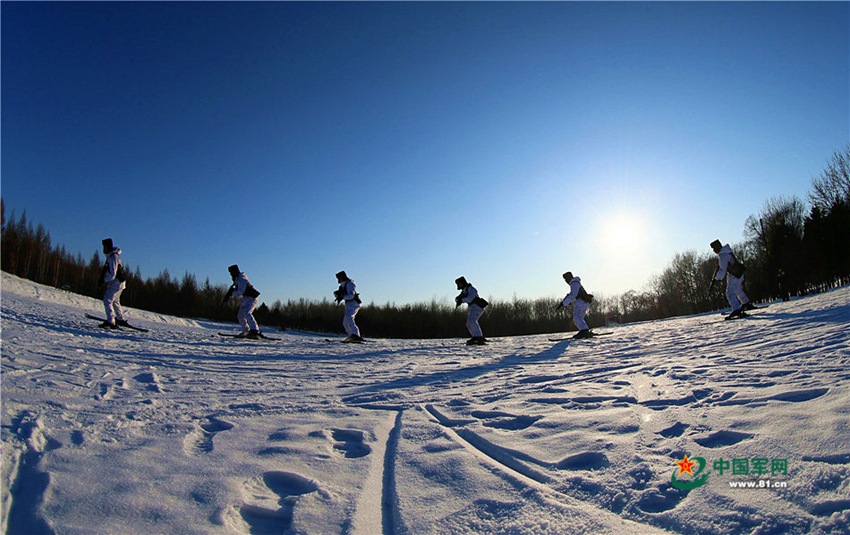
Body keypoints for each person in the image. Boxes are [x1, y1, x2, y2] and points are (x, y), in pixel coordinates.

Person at [710, 240, 754, 318]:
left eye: (714, 248)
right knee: (737, 290)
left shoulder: (723, 255)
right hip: (738, 273)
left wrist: (716, 278)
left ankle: (737, 309)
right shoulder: (726, 252)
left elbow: (722, 270)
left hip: (735, 275)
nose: (714, 251)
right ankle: (746, 303)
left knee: (729, 293)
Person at [222, 264, 261, 339]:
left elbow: (240, 291)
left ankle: (255, 330)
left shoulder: (242, 278)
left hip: (252, 298)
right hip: (246, 298)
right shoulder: (237, 279)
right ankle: (246, 330)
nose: (231, 275)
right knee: (240, 316)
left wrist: (231, 293)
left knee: (247, 313)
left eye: (231, 273)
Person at [99, 238, 127, 329]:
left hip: (117, 283)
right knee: (115, 301)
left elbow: (113, 274)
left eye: (104, 247)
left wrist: (103, 280)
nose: (103, 249)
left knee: (107, 300)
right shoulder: (113, 256)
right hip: (119, 283)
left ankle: (111, 321)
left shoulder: (113, 257)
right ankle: (119, 318)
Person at [558, 271, 594, 339]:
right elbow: (575, 294)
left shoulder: (574, 283)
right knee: (578, 318)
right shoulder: (575, 283)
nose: (566, 281)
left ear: (569, 278)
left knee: (576, 316)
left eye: (566, 279)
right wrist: (568, 302)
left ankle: (584, 331)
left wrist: (564, 303)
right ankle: (584, 331)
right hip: (583, 302)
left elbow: (573, 295)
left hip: (581, 302)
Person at [455, 276, 488, 345]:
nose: (458, 285)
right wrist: (458, 299)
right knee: (468, 323)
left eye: (459, 284)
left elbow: (470, 298)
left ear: (463, 283)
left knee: (472, 321)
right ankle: (476, 336)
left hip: (477, 307)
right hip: (472, 308)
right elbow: (458, 298)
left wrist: (462, 300)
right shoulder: (464, 291)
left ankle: (478, 337)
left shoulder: (471, 289)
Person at [334, 271, 363, 342]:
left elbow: (351, 295)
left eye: (339, 278)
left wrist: (343, 297)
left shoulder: (350, 284)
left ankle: (356, 335)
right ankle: (352, 336)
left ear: (342, 277)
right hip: (348, 304)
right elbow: (341, 294)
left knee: (349, 317)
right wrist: (338, 296)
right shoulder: (342, 286)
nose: (338, 280)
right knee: (345, 322)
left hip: (354, 303)